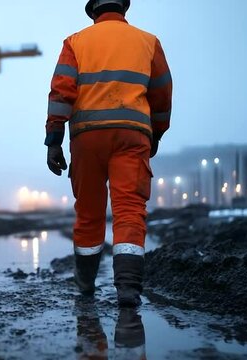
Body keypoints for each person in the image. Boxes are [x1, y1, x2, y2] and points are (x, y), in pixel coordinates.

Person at [45, 0, 172, 307]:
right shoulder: (148, 42)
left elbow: (61, 91)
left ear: (93, 11)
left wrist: (54, 138)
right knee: (129, 210)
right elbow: (162, 93)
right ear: (124, 9)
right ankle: (128, 290)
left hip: (87, 137)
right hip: (132, 134)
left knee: (88, 212)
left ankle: (85, 286)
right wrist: (155, 132)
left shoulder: (75, 42)